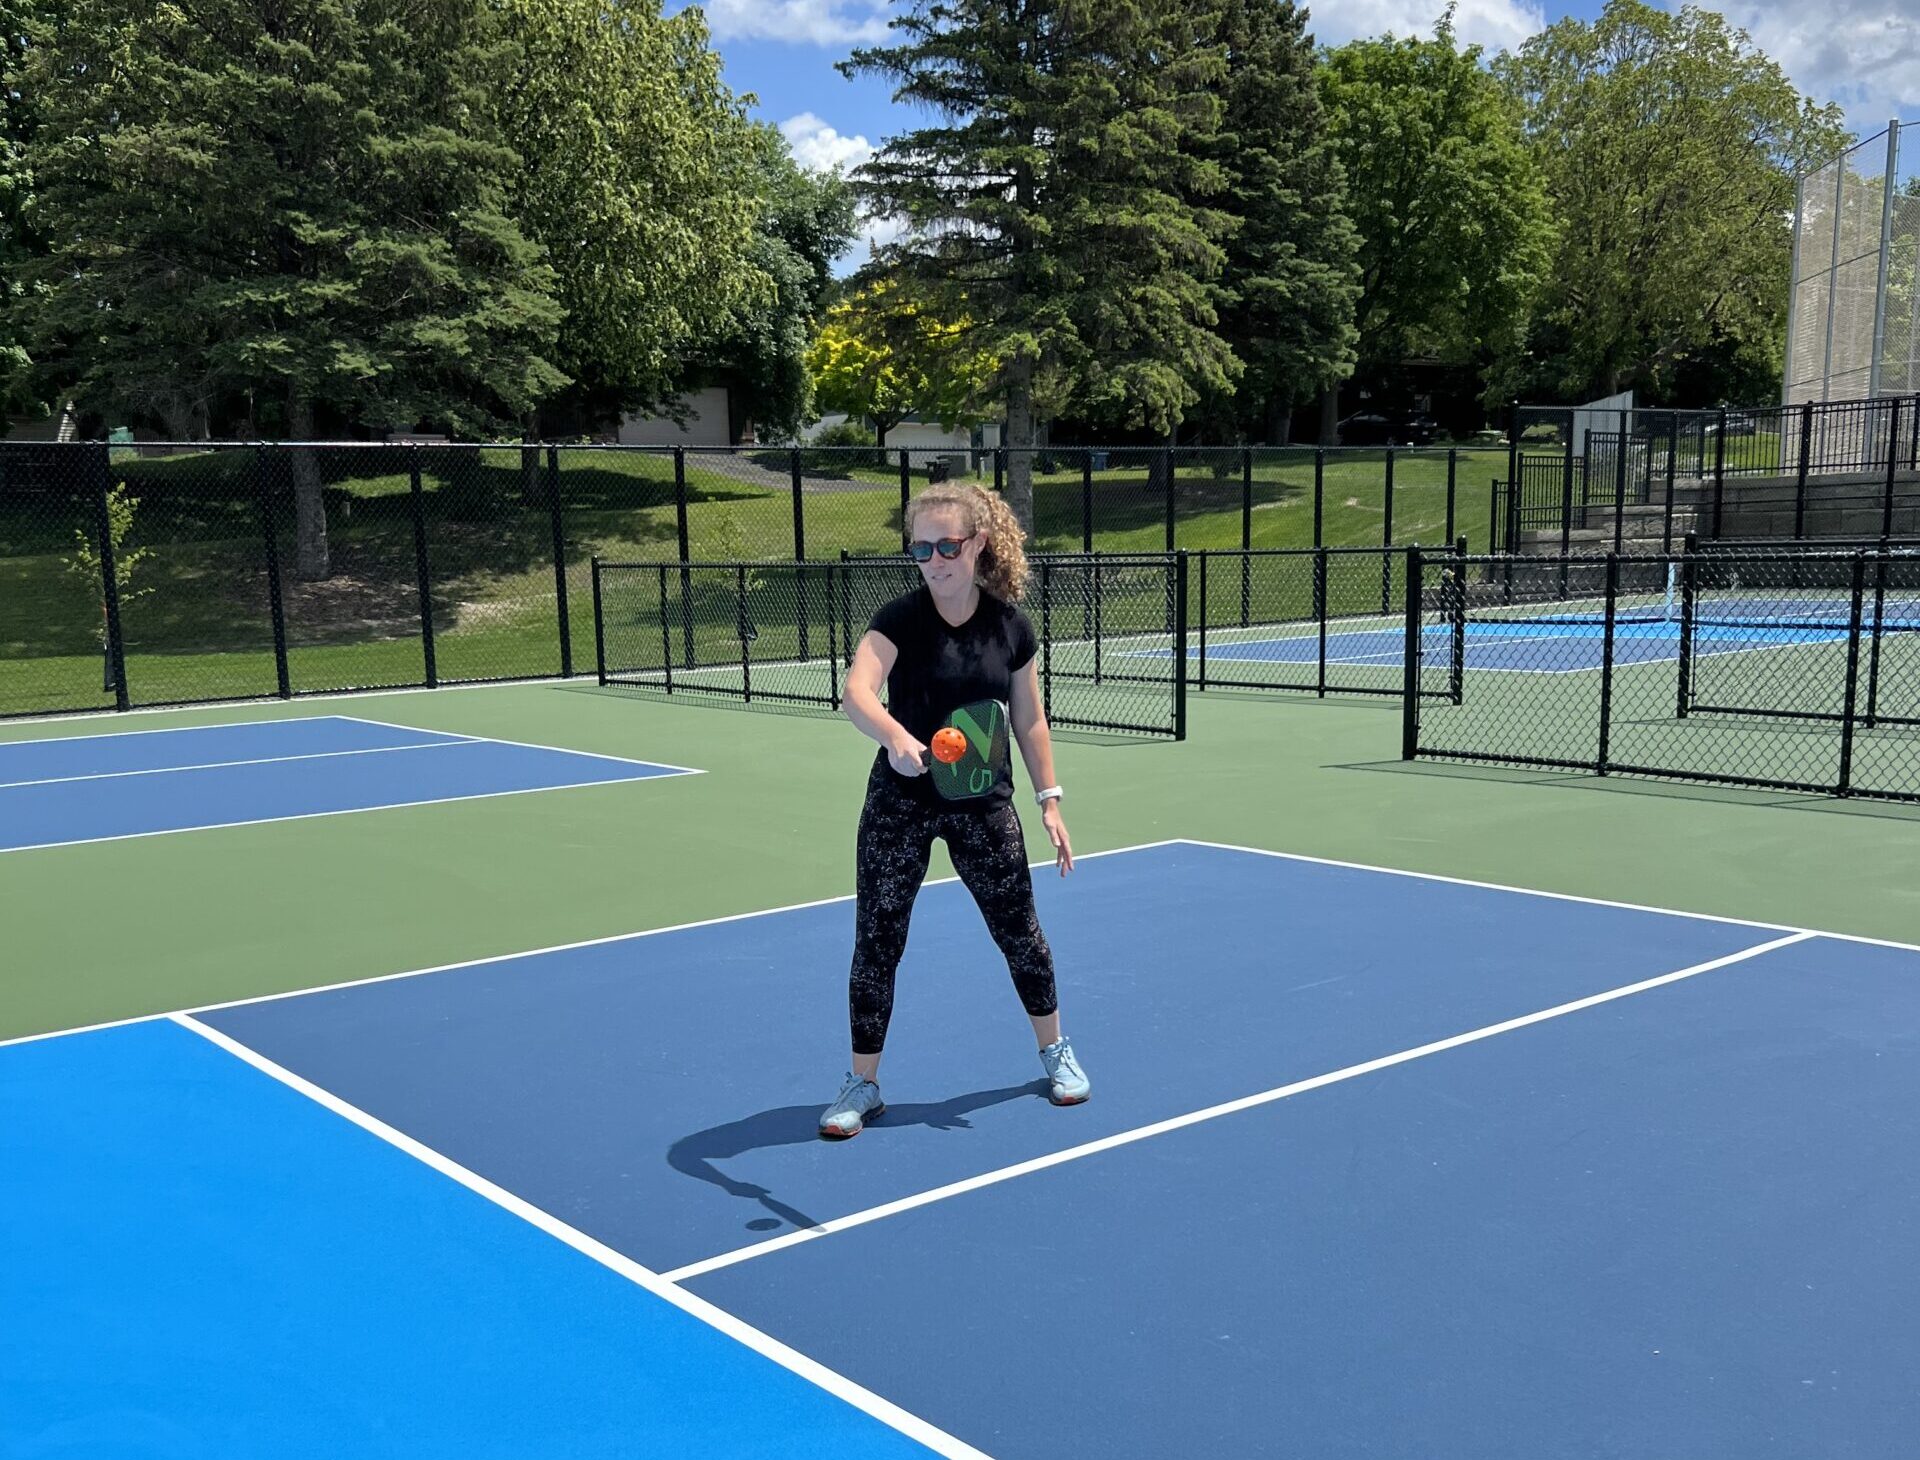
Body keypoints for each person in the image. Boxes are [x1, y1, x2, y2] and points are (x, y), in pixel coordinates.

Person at [819, 482, 1087, 1139]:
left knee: (1018, 930)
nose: (934, 559)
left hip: (982, 805)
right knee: (878, 941)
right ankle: (862, 1084)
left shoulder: (1009, 626)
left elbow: (1030, 720)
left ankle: (1056, 1053)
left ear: (979, 544)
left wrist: (1050, 799)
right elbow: (857, 689)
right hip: (900, 803)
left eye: (947, 545)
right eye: (921, 548)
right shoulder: (898, 621)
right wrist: (894, 736)